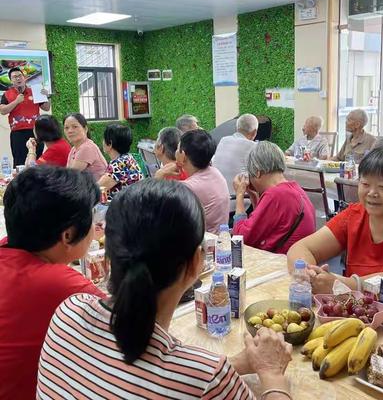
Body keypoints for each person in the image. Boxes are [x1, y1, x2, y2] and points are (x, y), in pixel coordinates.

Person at [37, 180, 293, 400]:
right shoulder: (206, 378)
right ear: (197, 263)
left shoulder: (67, 312)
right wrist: (271, 376)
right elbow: (183, 377)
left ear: (107, 260)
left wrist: (236, 365)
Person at [287, 147, 383, 308]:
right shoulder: (354, 214)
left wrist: (346, 285)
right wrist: (308, 274)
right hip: (362, 311)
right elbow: (302, 247)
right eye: (365, 184)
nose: (372, 193)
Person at [0, 166, 105, 400]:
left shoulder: (8, 248)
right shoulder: (60, 285)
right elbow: (136, 330)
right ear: (67, 235)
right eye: (92, 216)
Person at [232, 141, 316, 254]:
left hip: (283, 265)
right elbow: (262, 224)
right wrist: (254, 196)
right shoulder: (294, 189)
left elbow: (241, 239)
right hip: (298, 261)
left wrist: (239, 195)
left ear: (257, 173)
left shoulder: (275, 195)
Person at [157, 130, 229, 234]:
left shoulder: (188, 187)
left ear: (183, 155)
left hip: (204, 244)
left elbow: (154, 205)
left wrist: (159, 175)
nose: (176, 151)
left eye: (178, 148)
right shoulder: (215, 173)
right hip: (218, 239)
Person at [0, 67, 51, 167]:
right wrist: (16, 101)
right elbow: (3, 111)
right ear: (11, 80)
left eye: (19, 76)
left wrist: (47, 97)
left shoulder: (35, 91)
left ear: (24, 78)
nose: (18, 79)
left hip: (36, 132)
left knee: (37, 161)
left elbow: (46, 107)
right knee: (20, 161)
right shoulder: (7, 94)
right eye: (14, 77)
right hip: (18, 133)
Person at [212, 113, 258, 196]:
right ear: (254, 132)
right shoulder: (253, 147)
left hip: (217, 196)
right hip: (239, 200)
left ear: (237, 128)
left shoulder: (224, 140)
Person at [98, 124, 144, 201]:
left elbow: (98, 188)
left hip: (125, 208)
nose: (102, 141)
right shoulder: (127, 158)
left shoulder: (119, 164)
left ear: (110, 144)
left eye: (104, 139)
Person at [64, 113, 108, 181]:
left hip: (100, 190)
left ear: (85, 129)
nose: (70, 131)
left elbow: (70, 177)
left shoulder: (87, 147)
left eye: (75, 127)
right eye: (66, 128)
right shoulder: (74, 149)